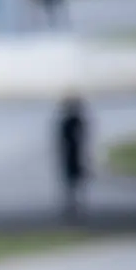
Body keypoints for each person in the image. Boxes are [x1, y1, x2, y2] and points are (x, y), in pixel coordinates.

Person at [56, 93, 90, 222]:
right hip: (72, 154)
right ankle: (74, 206)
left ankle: (75, 206)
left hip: (74, 153)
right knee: (73, 182)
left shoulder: (71, 121)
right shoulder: (72, 121)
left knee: (74, 181)